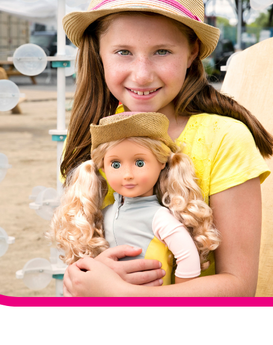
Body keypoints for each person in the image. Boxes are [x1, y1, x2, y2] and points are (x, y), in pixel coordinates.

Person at [59, 0, 273, 297]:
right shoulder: (94, 141)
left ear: (191, 53)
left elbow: (239, 287)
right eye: (123, 52)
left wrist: (127, 295)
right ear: (98, 53)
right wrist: (84, 274)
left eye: (161, 51)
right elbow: (84, 256)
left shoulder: (224, 140)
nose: (142, 74)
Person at [49, 112, 220, 286]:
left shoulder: (159, 217)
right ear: (102, 167)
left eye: (139, 163)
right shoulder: (106, 213)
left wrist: (177, 297)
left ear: (162, 162)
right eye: (115, 164)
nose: (128, 175)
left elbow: (188, 255)